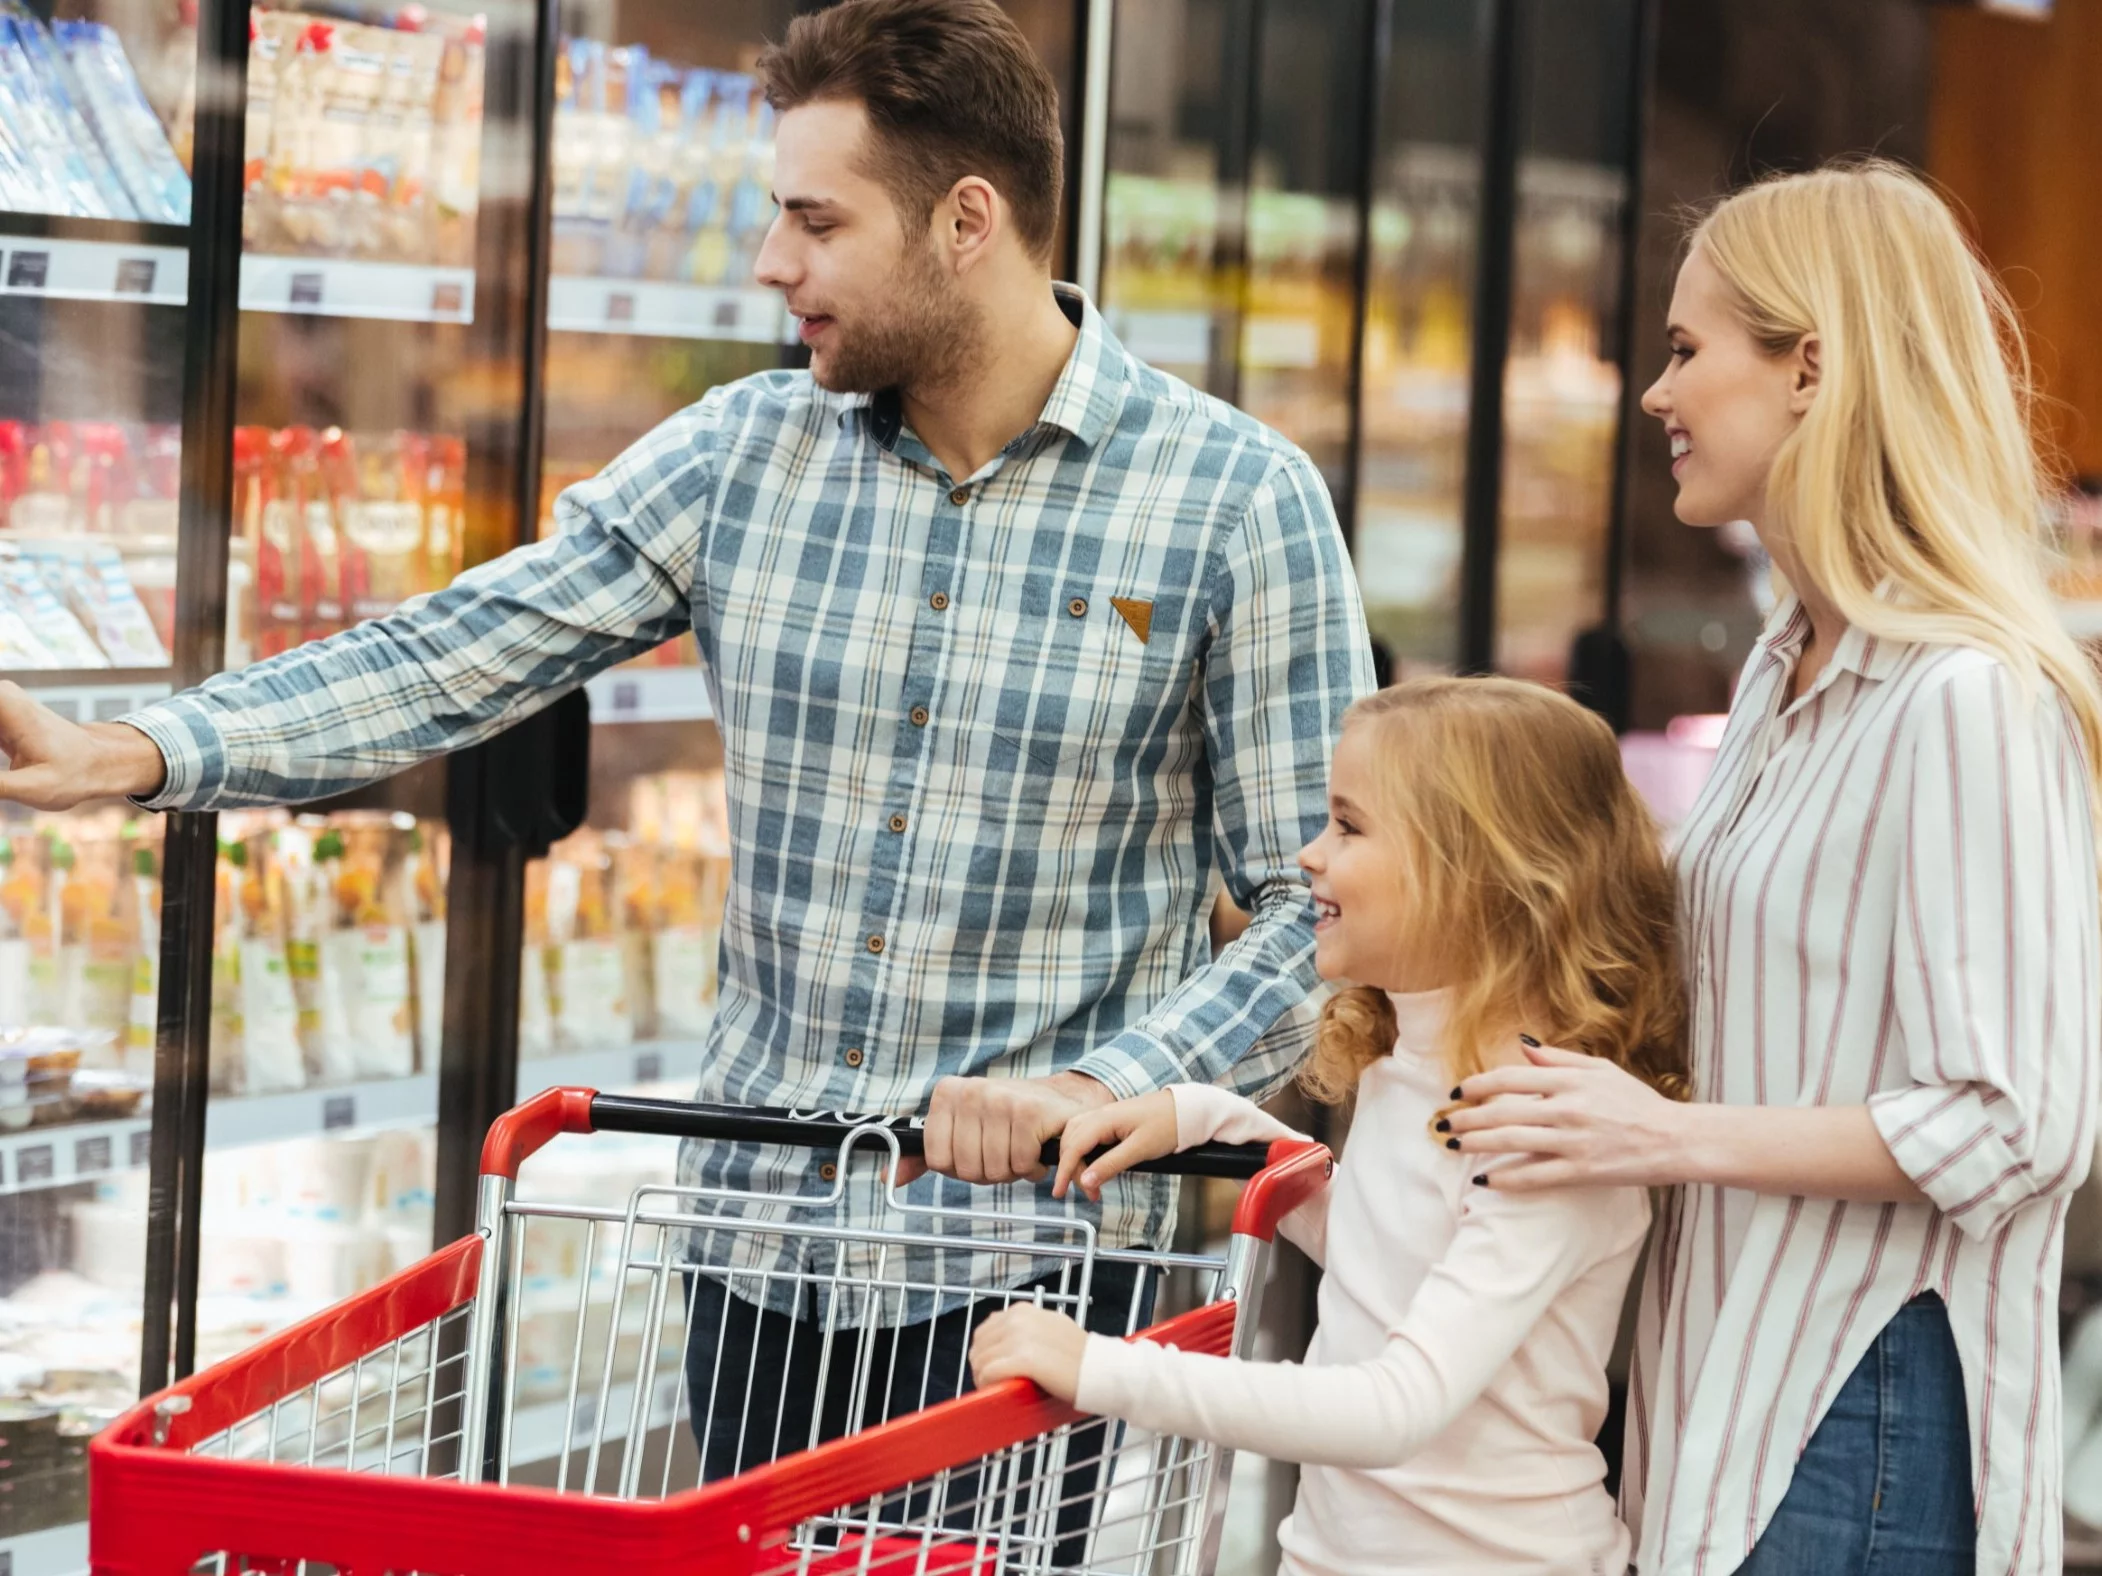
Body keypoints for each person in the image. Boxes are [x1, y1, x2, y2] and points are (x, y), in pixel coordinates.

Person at [0, 0, 1371, 1482]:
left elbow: (1323, 905)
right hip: (755, 1260)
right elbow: (454, 651)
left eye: (811, 220)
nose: (772, 263)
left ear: (966, 221)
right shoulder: (742, 456)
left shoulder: (1236, 502)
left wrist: (1112, 1090)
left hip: (1030, 1287)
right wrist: (136, 750)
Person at [1443, 159, 2102, 1576]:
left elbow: (2016, 1122)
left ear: (1811, 367)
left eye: (1686, 351)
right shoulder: (1779, 672)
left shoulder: (1962, 697)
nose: (1653, 395)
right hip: (1728, 1381)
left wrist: (1658, 1135)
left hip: (1860, 1395)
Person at [971, 675, 1690, 1575]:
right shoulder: (1412, 1071)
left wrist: (1103, 1371)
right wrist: (1200, 1116)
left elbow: (1394, 1408)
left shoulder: (1545, 1123)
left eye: (1348, 827)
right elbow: (1382, 1247)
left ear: (1479, 869)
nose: (1309, 856)